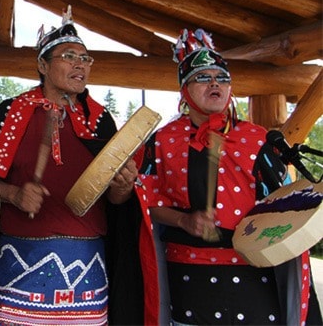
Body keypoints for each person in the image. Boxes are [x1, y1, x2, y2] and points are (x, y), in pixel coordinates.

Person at [133, 28, 321, 325]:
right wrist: (184, 220)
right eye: (203, 78)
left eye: (222, 78)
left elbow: (281, 202)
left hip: (254, 275)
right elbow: (146, 204)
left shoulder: (256, 139)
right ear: (184, 89)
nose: (215, 84)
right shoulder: (162, 141)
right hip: (187, 280)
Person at [0, 6, 138, 325]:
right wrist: (14, 194)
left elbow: (115, 204)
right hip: (17, 265)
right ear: (43, 65)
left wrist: (123, 189)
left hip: (87, 268)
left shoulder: (100, 121)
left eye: (86, 58)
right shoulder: (11, 113)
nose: (80, 64)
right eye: (69, 56)